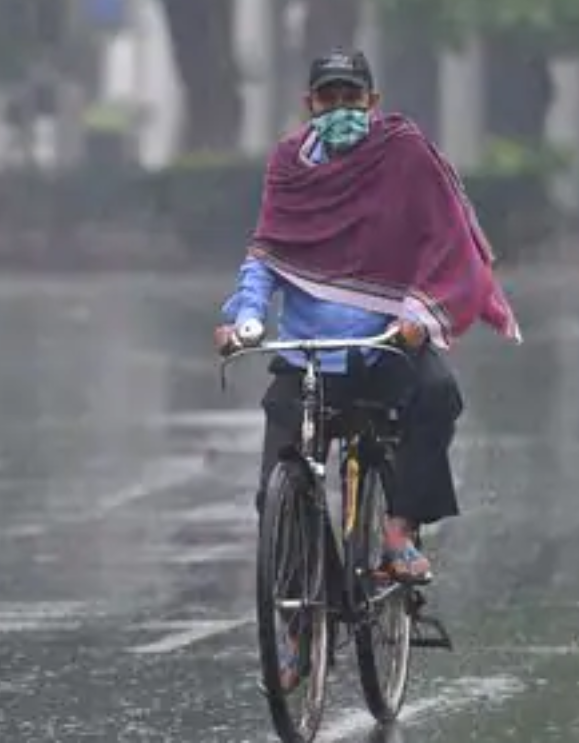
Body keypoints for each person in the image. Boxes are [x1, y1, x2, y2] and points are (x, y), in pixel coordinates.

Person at [216, 48, 521, 587]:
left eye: (351, 97)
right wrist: (243, 316)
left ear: (372, 101)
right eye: (328, 97)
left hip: (387, 340)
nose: (340, 107)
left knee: (437, 396)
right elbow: (266, 254)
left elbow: (447, 239)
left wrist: (419, 316)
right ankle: (303, 602)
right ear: (308, 103)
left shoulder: (404, 155)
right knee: (275, 493)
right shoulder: (288, 165)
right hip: (307, 355)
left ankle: (399, 532)